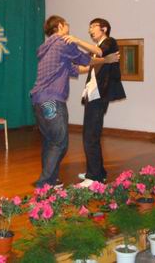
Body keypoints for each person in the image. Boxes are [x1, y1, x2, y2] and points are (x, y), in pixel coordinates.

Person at [30, 15, 118, 188]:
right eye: (66, 24)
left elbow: (76, 68)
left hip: (38, 100)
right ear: (60, 26)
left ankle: (52, 179)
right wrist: (106, 60)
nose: (68, 27)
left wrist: (96, 63)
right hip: (52, 100)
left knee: (50, 141)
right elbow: (86, 59)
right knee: (60, 143)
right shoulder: (63, 42)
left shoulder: (47, 48)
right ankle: (45, 183)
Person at [64, 18, 126, 185]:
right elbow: (88, 65)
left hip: (99, 95)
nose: (90, 30)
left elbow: (99, 52)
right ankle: (98, 172)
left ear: (104, 28)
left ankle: (94, 177)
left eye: (93, 26)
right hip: (92, 94)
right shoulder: (97, 49)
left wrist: (76, 40)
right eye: (89, 27)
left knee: (90, 136)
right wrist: (68, 66)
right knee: (90, 134)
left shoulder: (109, 42)